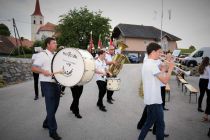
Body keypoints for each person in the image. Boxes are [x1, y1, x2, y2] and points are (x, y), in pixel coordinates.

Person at [138, 42, 174, 140]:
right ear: (153, 52)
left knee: (148, 123)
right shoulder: (152, 64)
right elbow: (165, 81)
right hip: (155, 100)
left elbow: (155, 77)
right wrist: (170, 69)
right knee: (160, 125)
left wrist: (163, 70)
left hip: (150, 99)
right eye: (159, 52)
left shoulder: (147, 63)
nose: (160, 54)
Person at [31, 37, 62, 140]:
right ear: (48, 44)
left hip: (56, 83)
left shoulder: (55, 55)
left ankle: (46, 122)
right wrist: (43, 71)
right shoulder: (42, 55)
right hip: (46, 83)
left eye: (56, 43)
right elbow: (34, 68)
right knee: (50, 106)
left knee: (55, 106)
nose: (56, 44)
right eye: (54, 43)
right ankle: (53, 131)